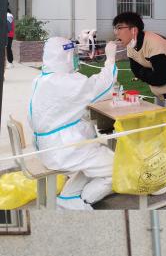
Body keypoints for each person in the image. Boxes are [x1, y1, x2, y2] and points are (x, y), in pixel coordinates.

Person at [29, 38, 118, 209]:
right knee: (119, 168)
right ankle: (80, 203)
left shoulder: (42, 79)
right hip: (63, 149)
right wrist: (110, 59)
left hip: (49, 147)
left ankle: (68, 196)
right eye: (73, 54)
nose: (76, 58)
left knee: (96, 160)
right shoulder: (64, 82)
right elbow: (102, 86)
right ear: (66, 56)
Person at [112, 11, 166, 192]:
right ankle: (161, 171)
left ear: (133, 30)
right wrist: (149, 75)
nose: (116, 33)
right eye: (116, 28)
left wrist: (147, 75)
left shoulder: (155, 44)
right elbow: (137, 71)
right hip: (160, 92)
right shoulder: (131, 46)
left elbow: (161, 77)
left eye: (120, 28)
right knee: (160, 133)